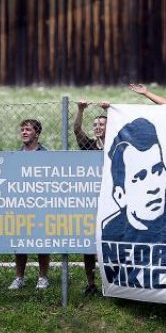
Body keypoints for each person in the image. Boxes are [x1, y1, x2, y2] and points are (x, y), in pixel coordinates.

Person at [9, 119, 50, 290]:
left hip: (41, 205)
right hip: (21, 205)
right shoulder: (15, 156)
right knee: (20, 242)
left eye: (28, 129)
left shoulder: (46, 155)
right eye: (22, 130)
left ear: (37, 133)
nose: (24, 132)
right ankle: (19, 277)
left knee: (42, 241)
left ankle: (43, 277)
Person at [74, 100, 108, 295]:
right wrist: (80, 110)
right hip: (90, 202)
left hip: (110, 202)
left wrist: (109, 112)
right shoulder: (88, 146)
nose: (97, 127)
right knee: (88, 245)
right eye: (95, 125)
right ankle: (91, 283)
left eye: (101, 124)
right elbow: (77, 129)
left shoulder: (117, 144)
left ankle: (108, 282)